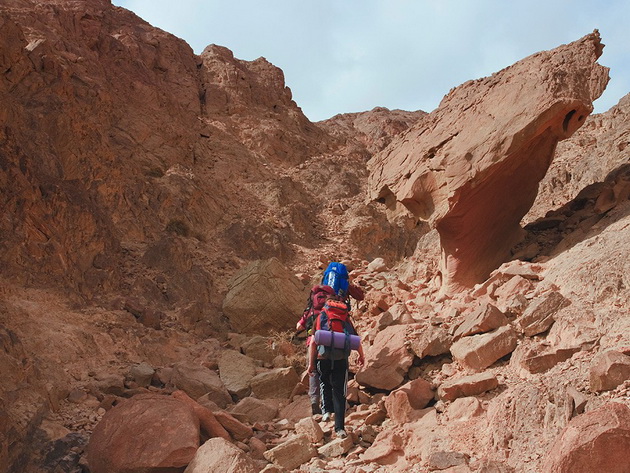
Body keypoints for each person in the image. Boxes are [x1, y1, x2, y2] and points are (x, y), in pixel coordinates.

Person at [307, 294, 365, 438]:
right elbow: (355, 340)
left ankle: (326, 411)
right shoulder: (344, 317)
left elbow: (313, 343)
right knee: (340, 392)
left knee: (324, 383)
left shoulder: (321, 317)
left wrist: (311, 364)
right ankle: (340, 428)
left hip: (323, 357)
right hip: (341, 358)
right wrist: (361, 355)